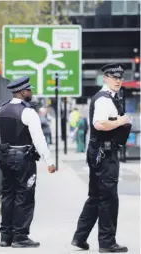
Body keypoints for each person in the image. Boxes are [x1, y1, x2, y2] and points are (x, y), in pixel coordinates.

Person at [71, 63, 131, 253]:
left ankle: (80, 237)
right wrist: (121, 121)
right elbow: (99, 124)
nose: (118, 80)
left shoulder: (110, 97)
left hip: (99, 152)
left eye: (120, 77)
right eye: (114, 77)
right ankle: (107, 243)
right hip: (105, 154)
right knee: (108, 199)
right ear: (105, 77)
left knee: (96, 197)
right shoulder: (104, 99)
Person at [0, 76, 56, 248]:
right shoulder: (28, 112)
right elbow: (39, 139)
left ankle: (5, 236)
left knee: (7, 196)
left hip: (5, 158)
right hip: (23, 160)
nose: (31, 92)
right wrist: (49, 161)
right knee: (24, 196)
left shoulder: (1, 110)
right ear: (22, 92)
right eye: (29, 90)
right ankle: (20, 237)